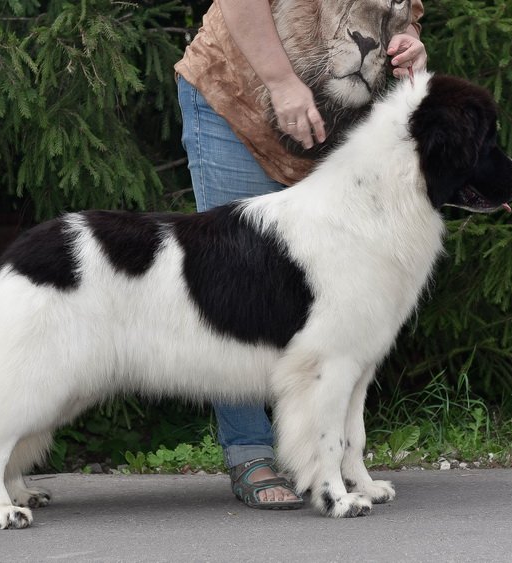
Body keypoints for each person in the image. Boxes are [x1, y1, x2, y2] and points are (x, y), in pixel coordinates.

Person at [174, 0, 427, 509]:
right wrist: (281, 81)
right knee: (236, 285)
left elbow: (402, 14)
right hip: (239, 100)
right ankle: (249, 451)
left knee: (332, 315)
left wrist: (409, 45)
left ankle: (325, 460)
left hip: (338, 126)